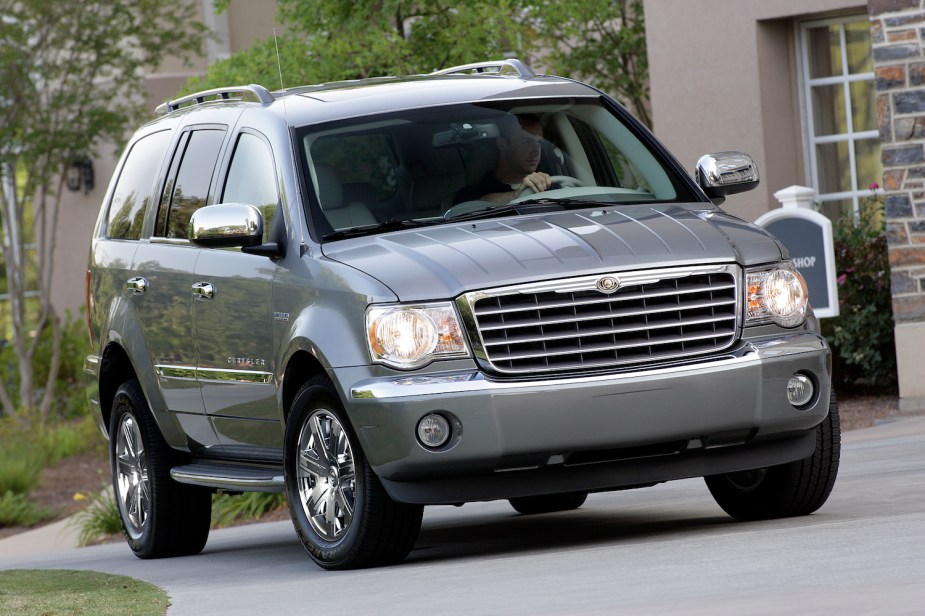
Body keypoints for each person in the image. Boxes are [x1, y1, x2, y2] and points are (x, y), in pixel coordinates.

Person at [453, 113, 552, 204]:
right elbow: (477, 204)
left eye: (539, 143)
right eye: (526, 142)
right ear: (502, 144)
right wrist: (519, 194)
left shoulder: (549, 183)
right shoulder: (470, 194)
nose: (536, 151)